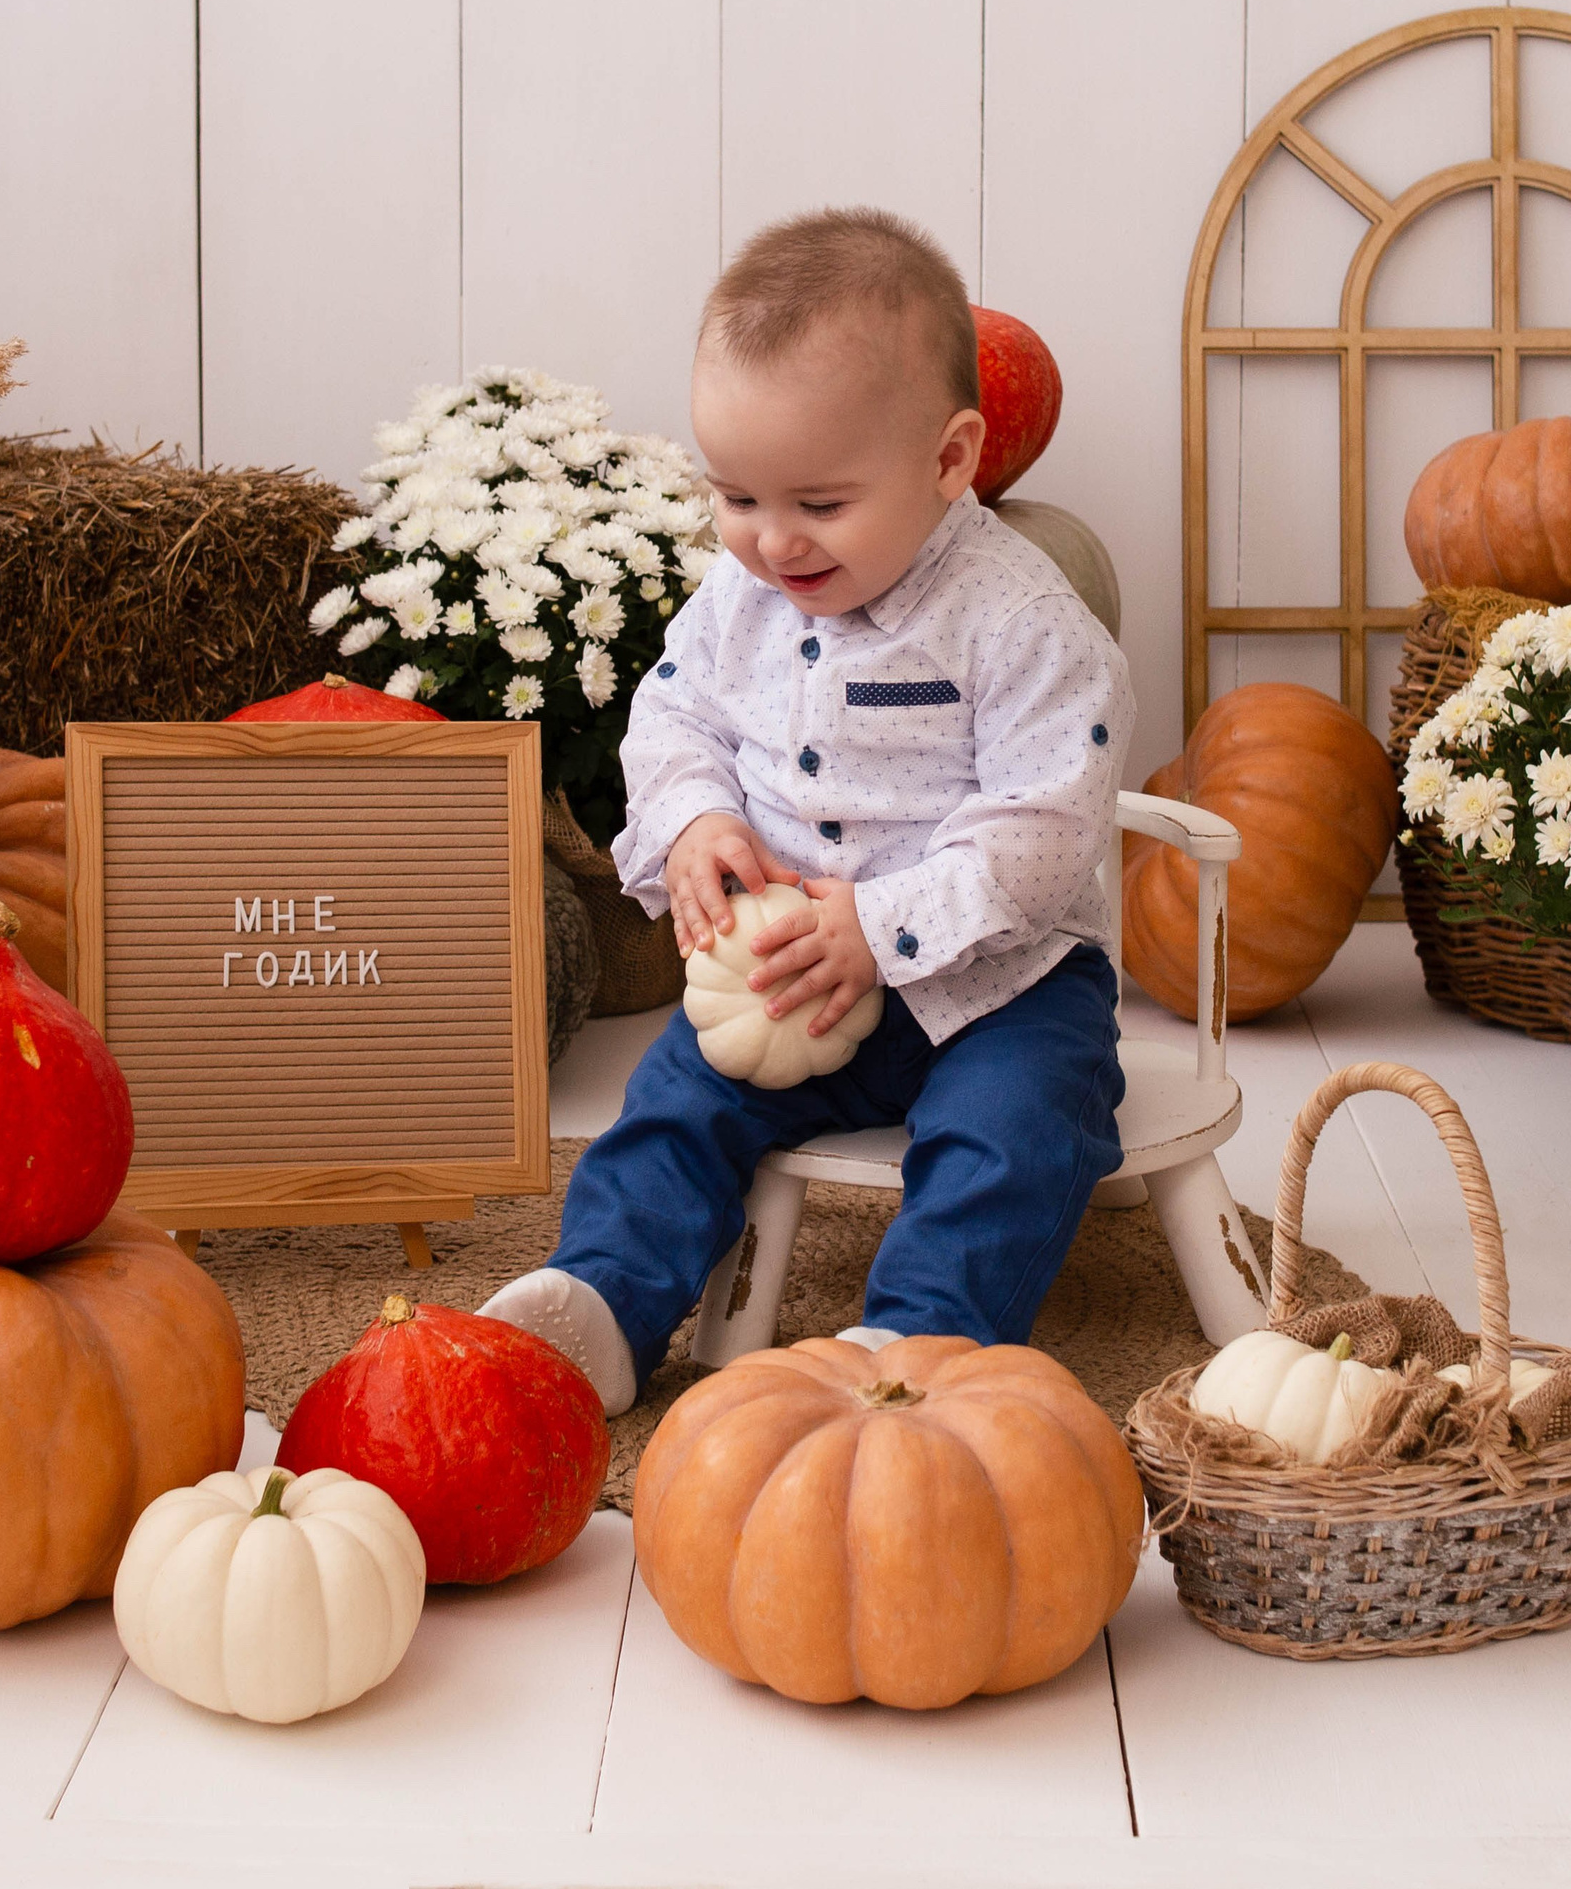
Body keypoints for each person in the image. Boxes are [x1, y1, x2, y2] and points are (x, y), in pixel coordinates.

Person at [480, 207, 1133, 1414]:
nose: (771, 540)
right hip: (784, 970)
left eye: (819, 505)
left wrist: (877, 924)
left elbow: (1043, 830)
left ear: (949, 461)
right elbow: (676, 719)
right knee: (674, 1101)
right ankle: (604, 1299)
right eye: (734, 494)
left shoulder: (1020, 620)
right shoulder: (741, 594)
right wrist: (692, 822)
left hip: (997, 986)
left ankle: (918, 1349)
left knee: (1015, 1133)